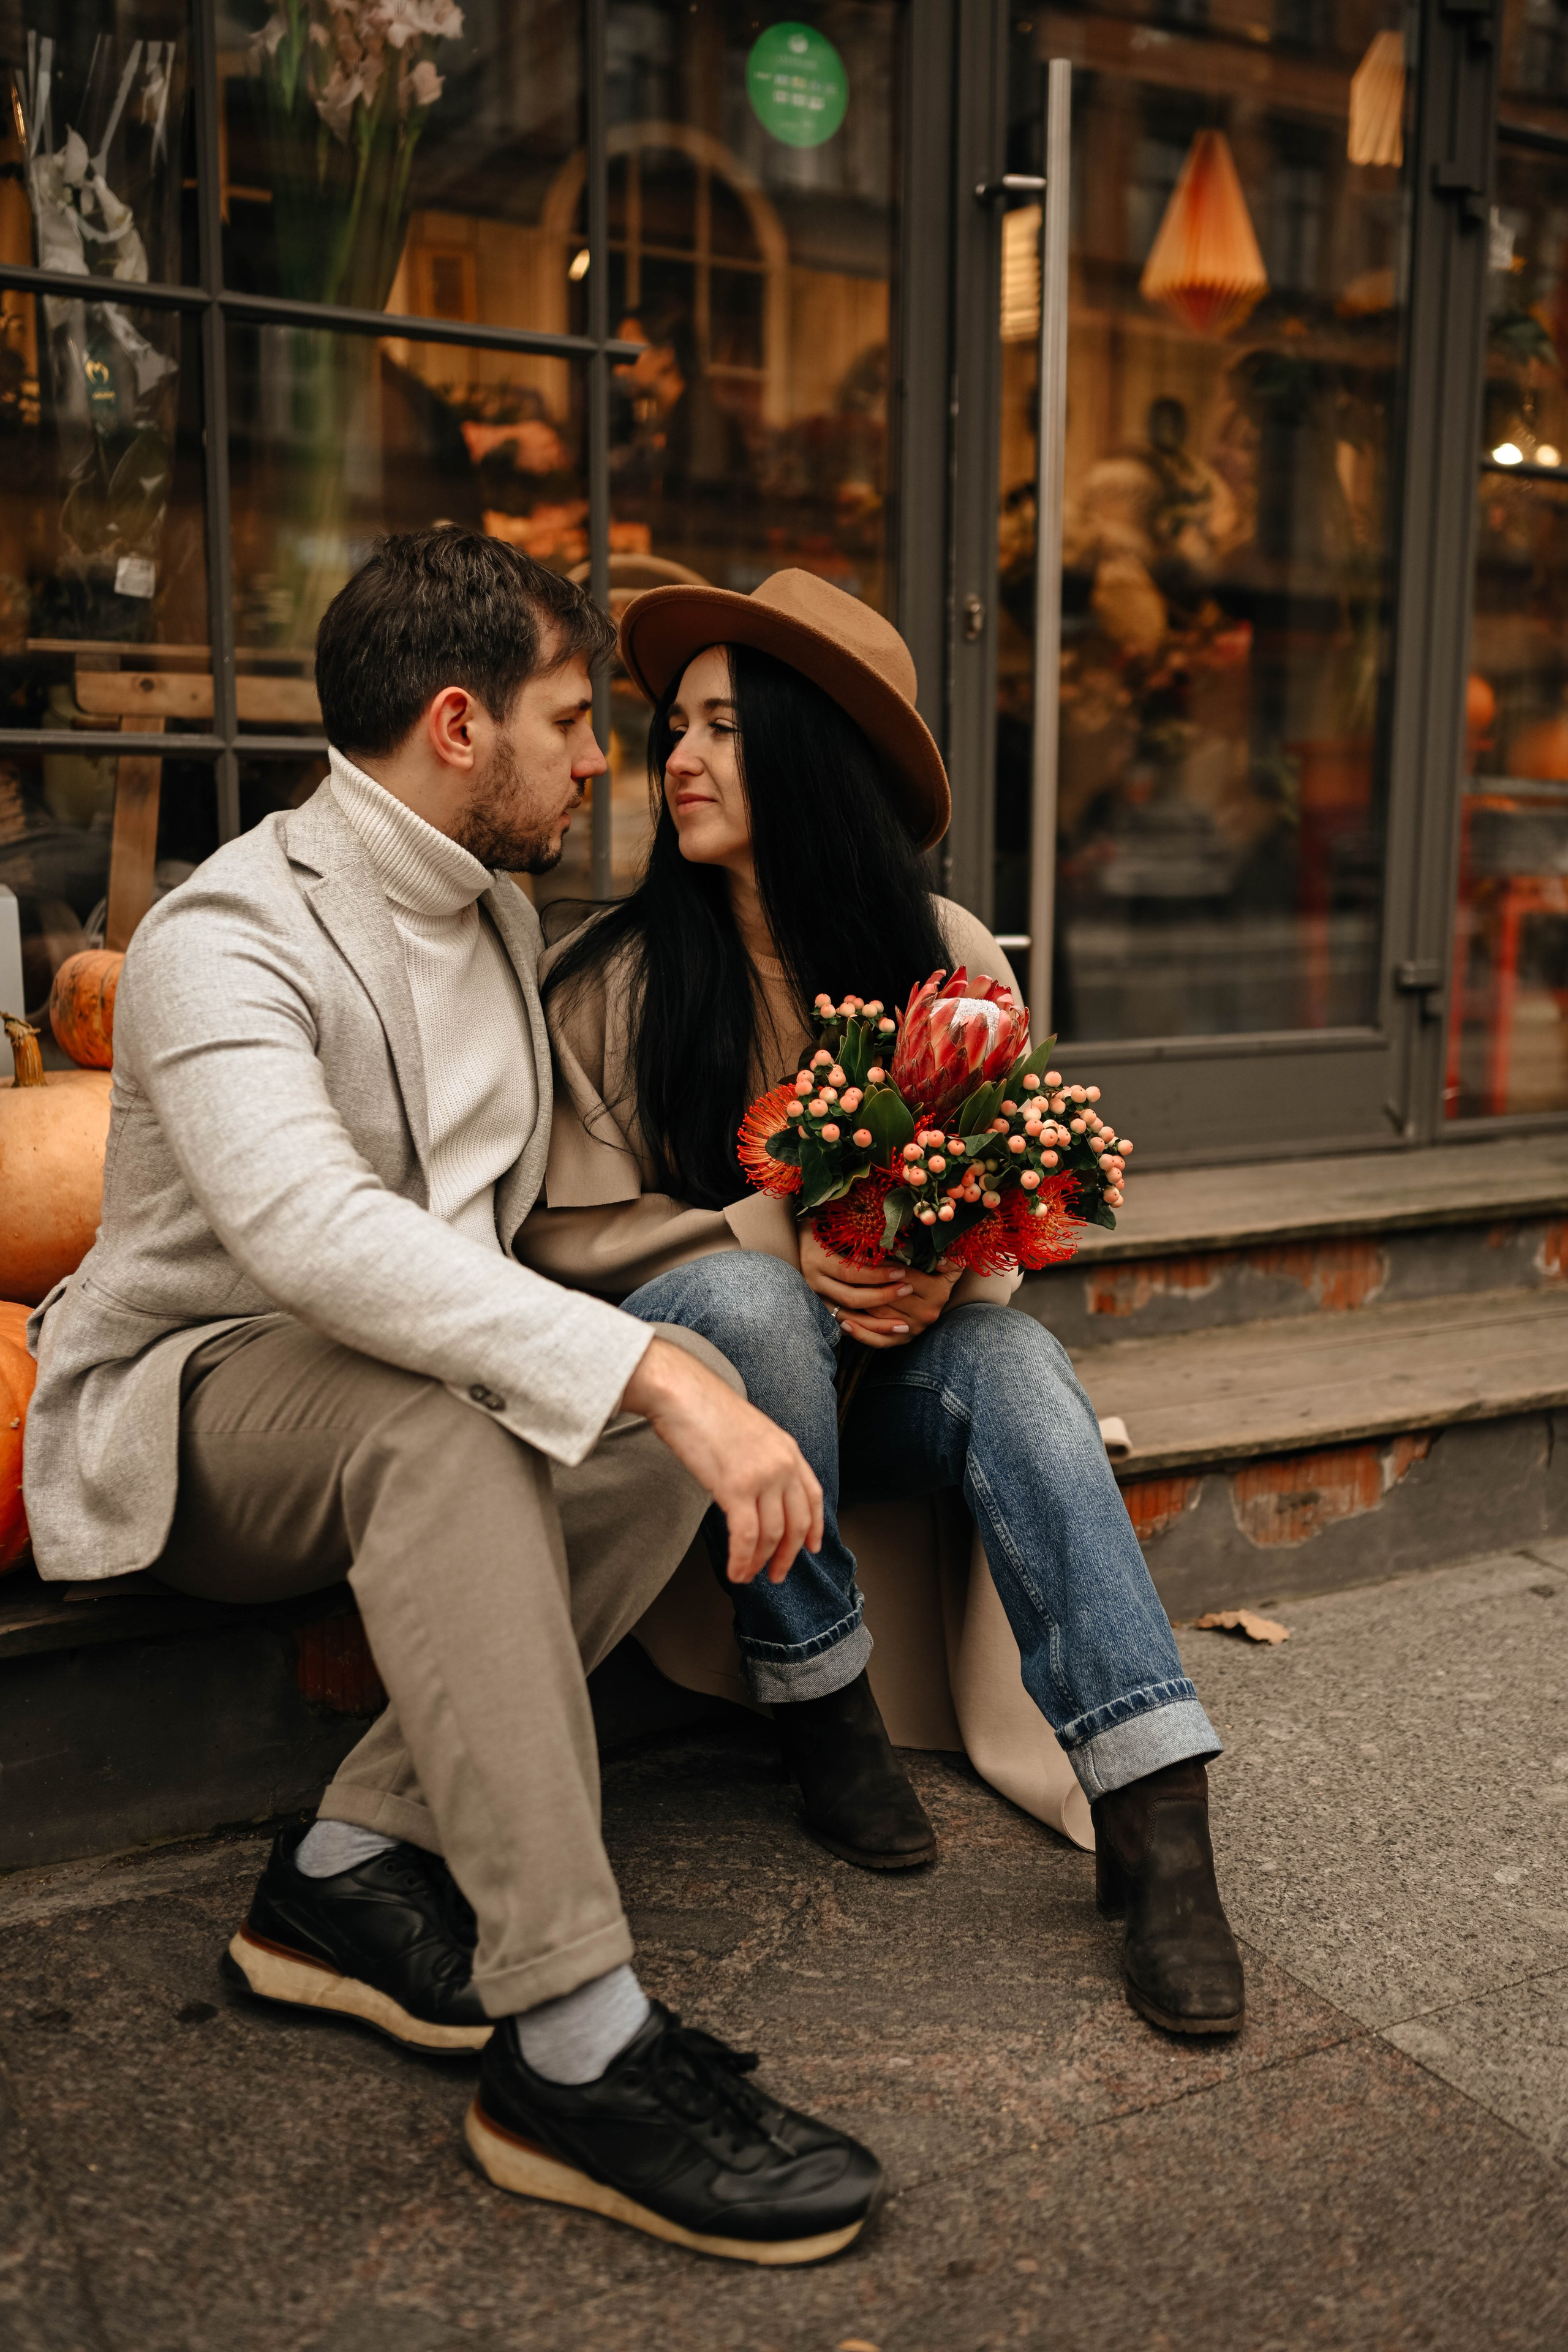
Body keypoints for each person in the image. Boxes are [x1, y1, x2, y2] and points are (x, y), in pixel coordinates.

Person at [21, 530, 884, 2264]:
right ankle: (572, 2043)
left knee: (665, 1389)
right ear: (456, 724)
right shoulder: (227, 935)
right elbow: (313, 1233)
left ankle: (341, 1875)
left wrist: (675, 1360)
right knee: (519, 1405)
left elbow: (499, 1236)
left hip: (408, 1389)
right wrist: (628, 1362)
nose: (602, 756)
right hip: (201, 1404)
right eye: (574, 718)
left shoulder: (495, 903)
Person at [519, 570, 1246, 2037]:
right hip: (707, 1413)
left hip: (892, 1394)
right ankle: (819, 1704)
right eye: (673, 727)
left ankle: (1159, 1822)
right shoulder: (613, 978)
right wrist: (768, 1235)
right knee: (751, 1298)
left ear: (810, 753)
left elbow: (1005, 1221)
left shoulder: (950, 962)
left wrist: (937, 1277)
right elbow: (549, 1239)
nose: (675, 759)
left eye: (724, 728)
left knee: (1021, 1363)